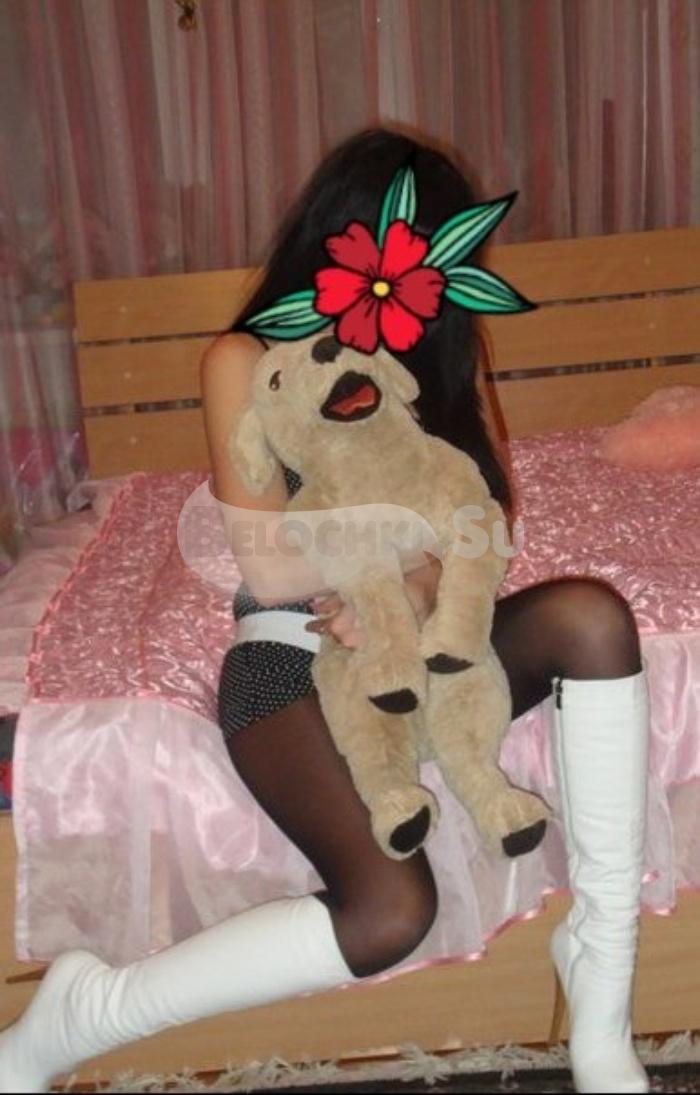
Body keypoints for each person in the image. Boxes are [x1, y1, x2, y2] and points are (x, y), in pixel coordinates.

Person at [0, 129, 650, 1095]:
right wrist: (400, 560)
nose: (430, 282)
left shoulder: (442, 343)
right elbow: (266, 559)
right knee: (388, 912)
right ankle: (79, 1013)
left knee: (590, 618)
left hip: (430, 648)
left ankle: (602, 975)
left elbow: (488, 512)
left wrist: (422, 587)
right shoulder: (244, 357)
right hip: (288, 653)